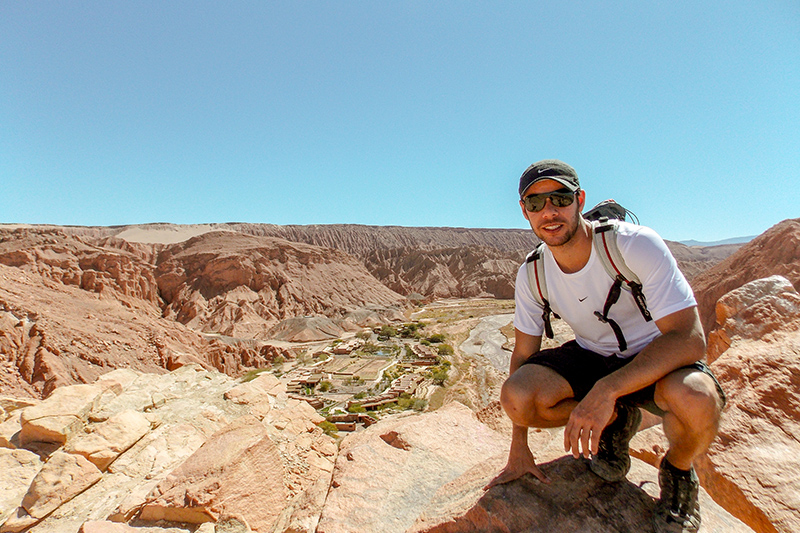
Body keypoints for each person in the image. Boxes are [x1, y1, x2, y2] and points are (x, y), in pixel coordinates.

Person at [485, 159, 725, 533]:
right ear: (524, 211)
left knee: (697, 396)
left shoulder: (632, 244)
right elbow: (523, 354)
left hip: (654, 355)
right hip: (592, 355)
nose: (549, 212)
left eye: (560, 199)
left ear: (579, 200)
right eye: (535, 203)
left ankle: (678, 473)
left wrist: (607, 389)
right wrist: (519, 444)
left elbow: (689, 338)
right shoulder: (532, 272)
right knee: (518, 396)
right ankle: (617, 423)